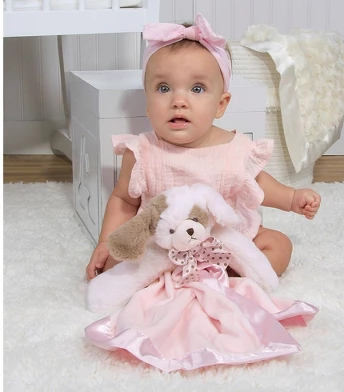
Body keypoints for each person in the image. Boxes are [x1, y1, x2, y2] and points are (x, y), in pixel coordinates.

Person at [85, 14, 321, 281]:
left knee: (278, 244)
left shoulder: (233, 148)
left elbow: (257, 183)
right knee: (114, 263)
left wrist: (291, 199)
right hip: (162, 245)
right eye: (164, 88)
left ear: (220, 105)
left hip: (226, 241)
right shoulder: (142, 152)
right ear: (147, 104)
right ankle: (178, 279)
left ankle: (226, 276)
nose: (179, 100)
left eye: (197, 89)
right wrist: (106, 242)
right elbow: (124, 201)